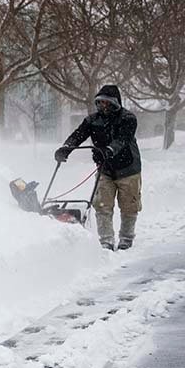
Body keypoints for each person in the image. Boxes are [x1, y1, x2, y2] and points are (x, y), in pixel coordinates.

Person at [55, 85, 142, 250]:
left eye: (107, 103)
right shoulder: (92, 120)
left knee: (129, 206)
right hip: (105, 170)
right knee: (102, 205)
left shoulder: (128, 118)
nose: (103, 106)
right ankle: (106, 240)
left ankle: (126, 238)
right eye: (100, 102)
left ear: (115, 103)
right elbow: (78, 135)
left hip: (128, 169)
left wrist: (108, 150)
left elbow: (122, 140)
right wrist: (66, 148)